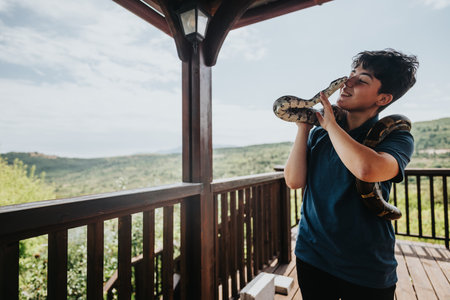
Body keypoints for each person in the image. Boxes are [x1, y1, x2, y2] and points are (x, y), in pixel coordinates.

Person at [284, 49, 418, 300]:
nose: (348, 82)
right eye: (351, 74)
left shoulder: (397, 136)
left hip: (366, 266)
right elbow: (294, 180)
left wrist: (331, 125)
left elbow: (367, 169)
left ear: (383, 98)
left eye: (362, 80)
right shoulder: (320, 133)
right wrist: (303, 127)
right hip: (312, 255)